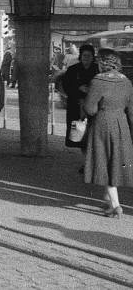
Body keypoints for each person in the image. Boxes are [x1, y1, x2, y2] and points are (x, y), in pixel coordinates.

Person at [83, 48, 133, 219]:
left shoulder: (98, 81)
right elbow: (131, 110)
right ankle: (109, 199)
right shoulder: (126, 82)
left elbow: (90, 109)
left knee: (104, 161)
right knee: (115, 162)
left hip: (103, 124)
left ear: (102, 63)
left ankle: (116, 205)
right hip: (122, 124)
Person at [62, 44, 99, 156]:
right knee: (80, 137)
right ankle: (86, 161)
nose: (86, 58)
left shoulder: (98, 70)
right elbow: (66, 86)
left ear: (93, 57)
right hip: (76, 107)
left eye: (89, 55)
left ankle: (89, 163)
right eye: (84, 55)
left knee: (93, 136)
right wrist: (78, 89)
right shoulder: (72, 70)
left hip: (94, 109)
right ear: (80, 56)